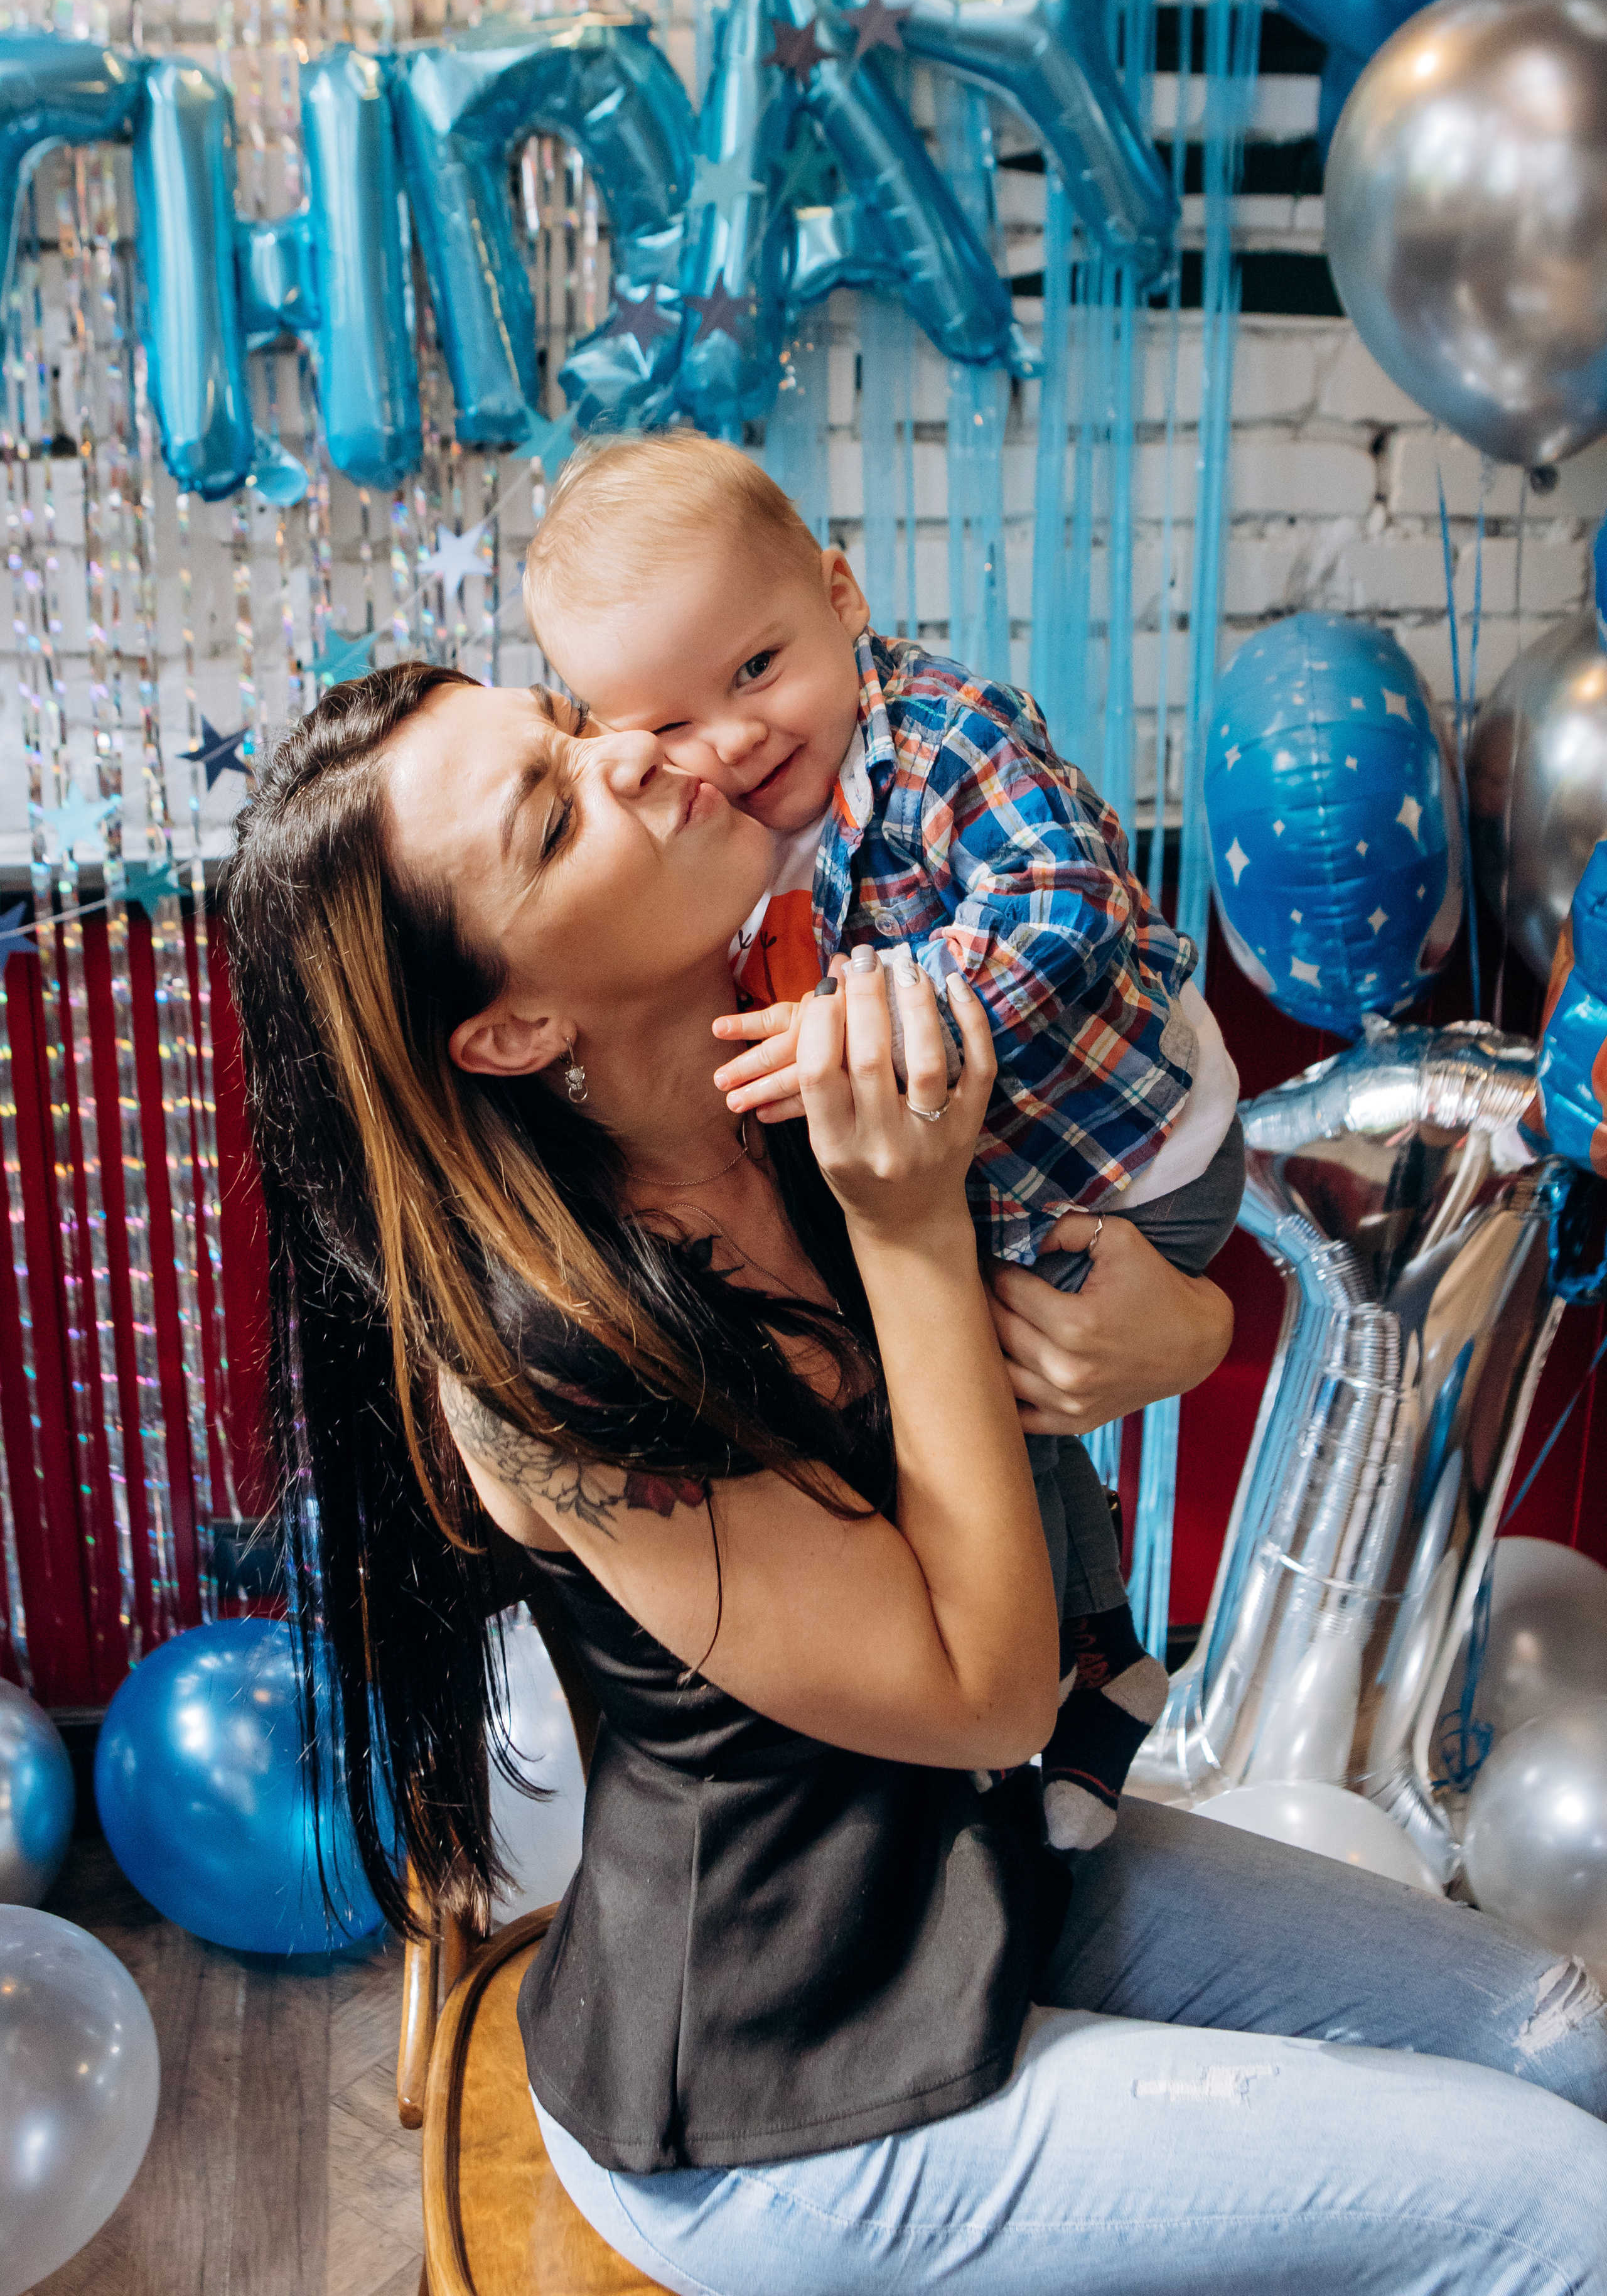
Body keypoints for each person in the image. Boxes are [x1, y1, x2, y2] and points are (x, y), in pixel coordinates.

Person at [227, 660, 1607, 2296]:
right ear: (514, 1023)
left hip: (995, 1868)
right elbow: (987, 1693)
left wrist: (1177, 1329)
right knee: (1554, 2203)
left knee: (1567, 2047)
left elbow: (1155, 1277)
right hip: (782, 2094)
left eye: (570, 724)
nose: (642, 759)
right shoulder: (548, 1363)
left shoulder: (823, 1063)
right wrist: (911, 1227)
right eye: (553, 811)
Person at [520, 429, 1242, 1849]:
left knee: (974, 1402)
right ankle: (1101, 1652)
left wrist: (901, 1009)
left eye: (752, 671)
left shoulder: (937, 738)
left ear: (843, 596)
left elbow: (1064, 902)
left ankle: (1089, 1652)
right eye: (660, 729)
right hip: (1015, 1177)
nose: (724, 746)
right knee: (978, 1413)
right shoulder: (747, 836)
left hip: (1125, 1151)